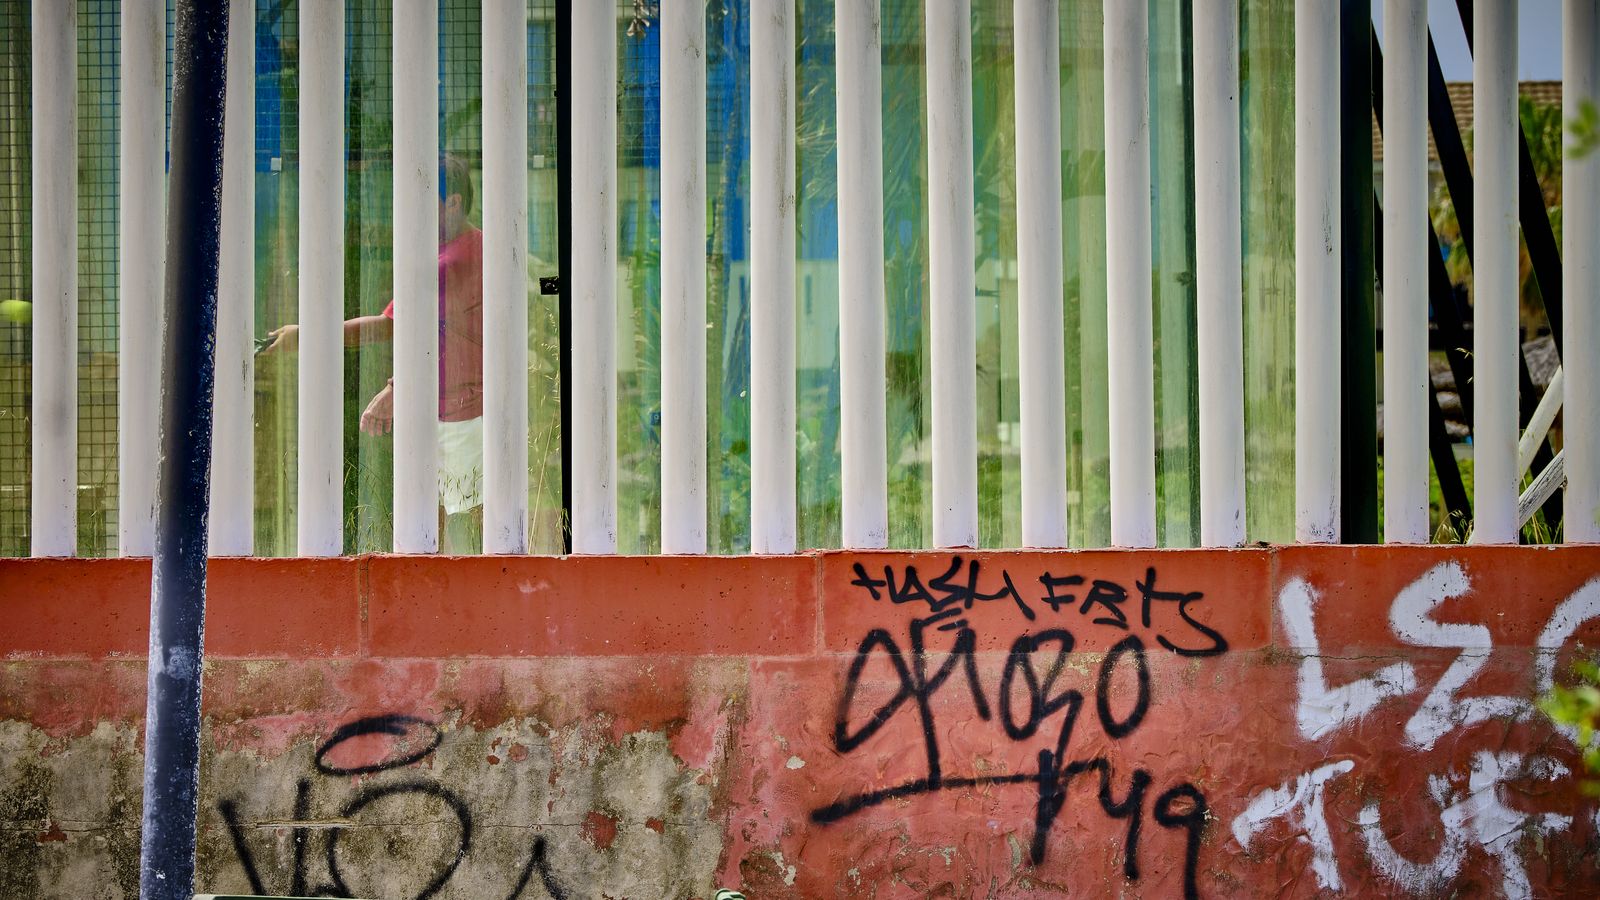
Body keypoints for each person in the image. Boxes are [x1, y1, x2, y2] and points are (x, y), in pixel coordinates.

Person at [264, 155, 485, 552]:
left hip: (466, 420)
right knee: (450, 526)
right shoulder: (475, 246)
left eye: (424, 203)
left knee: (457, 530)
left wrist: (306, 338)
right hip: (460, 412)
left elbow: (393, 328)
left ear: (452, 202)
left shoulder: (455, 262)